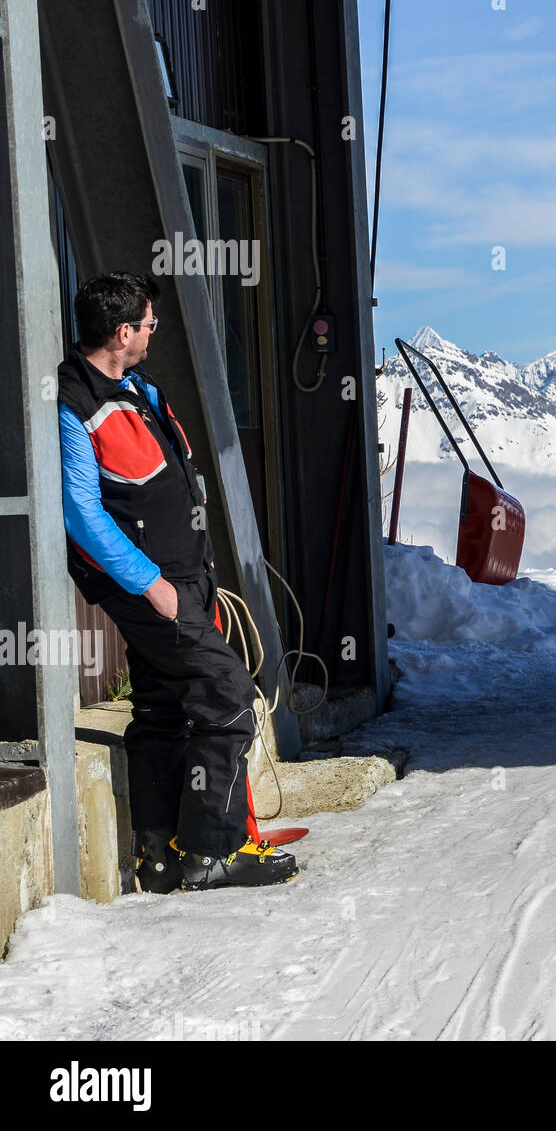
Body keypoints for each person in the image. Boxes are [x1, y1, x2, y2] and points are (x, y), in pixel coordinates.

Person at [58, 273, 297, 892]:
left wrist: (193, 578)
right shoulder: (76, 403)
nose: (152, 331)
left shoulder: (138, 390)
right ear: (122, 332)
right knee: (229, 698)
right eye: (148, 323)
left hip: (186, 578)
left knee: (162, 709)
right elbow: (81, 514)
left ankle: (158, 856)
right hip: (150, 588)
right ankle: (211, 851)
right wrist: (150, 584)